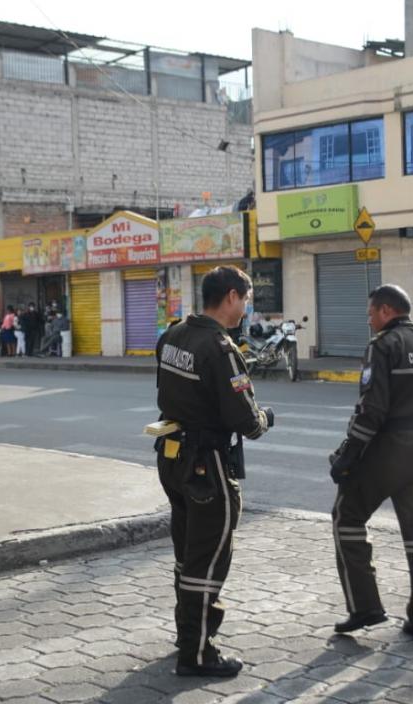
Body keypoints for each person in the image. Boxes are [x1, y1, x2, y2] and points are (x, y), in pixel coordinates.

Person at [154, 266, 273, 678]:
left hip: (171, 457)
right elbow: (246, 420)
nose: (247, 305)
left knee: (188, 553)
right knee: (209, 559)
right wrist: (264, 419)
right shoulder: (219, 347)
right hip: (208, 465)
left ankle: (186, 635)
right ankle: (198, 652)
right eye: (247, 297)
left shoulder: (173, 335)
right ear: (230, 297)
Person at [328, 284, 413, 643]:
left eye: (371, 313)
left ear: (386, 310)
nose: (369, 320)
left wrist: (348, 454)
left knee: (348, 516)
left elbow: (372, 409)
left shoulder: (383, 346)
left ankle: (365, 606)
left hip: (388, 447)